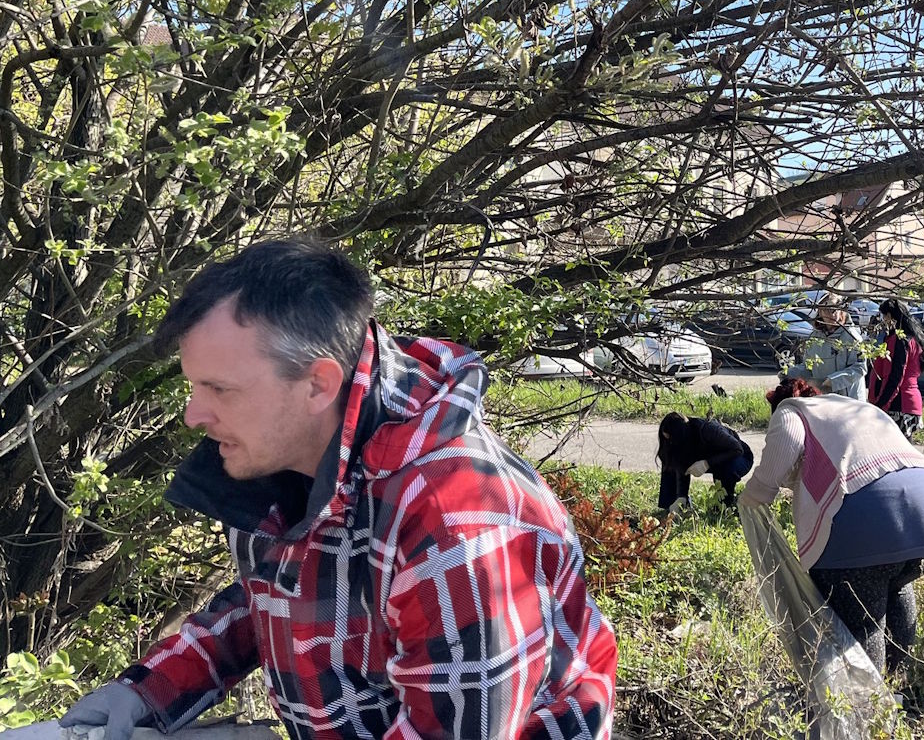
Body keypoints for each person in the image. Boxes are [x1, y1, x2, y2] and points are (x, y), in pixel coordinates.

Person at [60, 239, 616, 740]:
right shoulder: (284, 453)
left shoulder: (458, 523)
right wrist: (149, 691)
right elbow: (273, 596)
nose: (193, 415)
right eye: (193, 386)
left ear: (317, 383)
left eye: (218, 389)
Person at [740, 378, 924, 678]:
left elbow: (786, 444)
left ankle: (871, 701)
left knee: (863, 618)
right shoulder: (854, 408)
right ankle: (899, 682)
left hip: (867, 522)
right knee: (895, 582)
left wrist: (753, 497)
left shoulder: (792, 410)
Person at [655, 411, 754, 513]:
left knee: (725, 467)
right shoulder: (680, 441)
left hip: (739, 458)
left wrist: (707, 463)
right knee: (670, 457)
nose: (670, 442)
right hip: (711, 459)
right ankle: (672, 505)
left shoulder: (708, 430)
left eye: (672, 439)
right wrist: (681, 496)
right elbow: (681, 465)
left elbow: (737, 449)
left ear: (681, 435)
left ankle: (725, 504)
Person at [867, 298, 924, 437]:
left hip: (899, 404)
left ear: (890, 316)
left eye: (884, 316)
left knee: (892, 448)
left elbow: (895, 376)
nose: (883, 321)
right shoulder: (913, 338)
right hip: (908, 403)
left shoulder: (899, 340)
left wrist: (880, 405)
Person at [795, 294, 866, 399]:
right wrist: (789, 374)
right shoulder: (814, 338)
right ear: (820, 312)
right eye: (826, 310)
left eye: (834, 309)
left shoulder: (852, 337)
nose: (831, 314)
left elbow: (859, 368)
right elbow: (808, 367)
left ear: (841, 310)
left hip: (849, 401)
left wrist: (832, 382)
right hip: (823, 399)